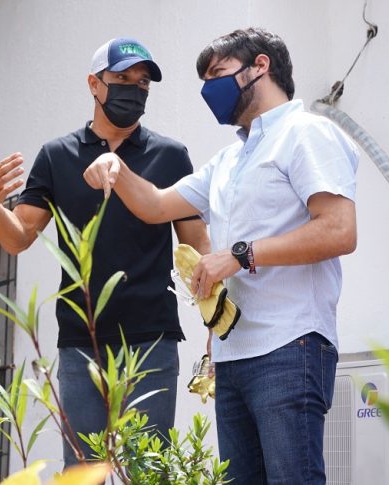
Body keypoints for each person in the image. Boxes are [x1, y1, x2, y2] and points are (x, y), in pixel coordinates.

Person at [83, 28, 358, 484]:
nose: (210, 88)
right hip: (233, 359)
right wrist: (117, 166)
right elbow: (155, 204)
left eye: (219, 73)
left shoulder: (305, 132)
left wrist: (239, 255)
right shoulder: (230, 160)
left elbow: (338, 229)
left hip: (290, 347)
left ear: (261, 66)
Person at [0, 37, 210, 467]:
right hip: (81, 345)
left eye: (142, 83)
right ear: (94, 84)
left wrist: (216, 324)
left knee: (148, 470)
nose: (134, 89)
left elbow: (197, 245)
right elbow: (19, 237)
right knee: (83, 472)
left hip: (152, 341)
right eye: (122, 78)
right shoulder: (57, 155)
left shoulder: (171, 155)